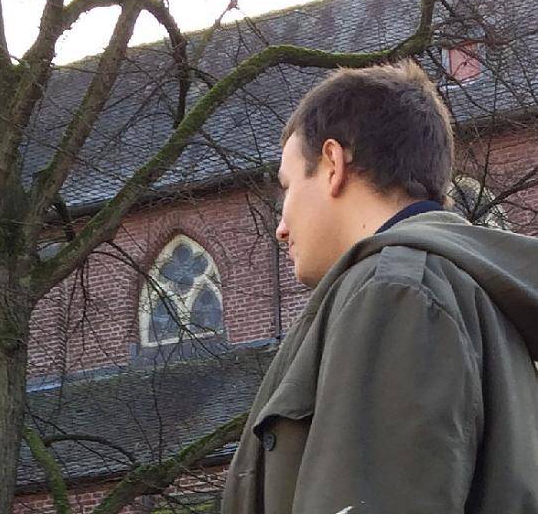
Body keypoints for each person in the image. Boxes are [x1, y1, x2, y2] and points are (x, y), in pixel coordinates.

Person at [221, 61, 538, 513]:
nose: (281, 228)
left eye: (287, 188)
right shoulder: (467, 295)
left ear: (333, 163)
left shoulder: (396, 291)